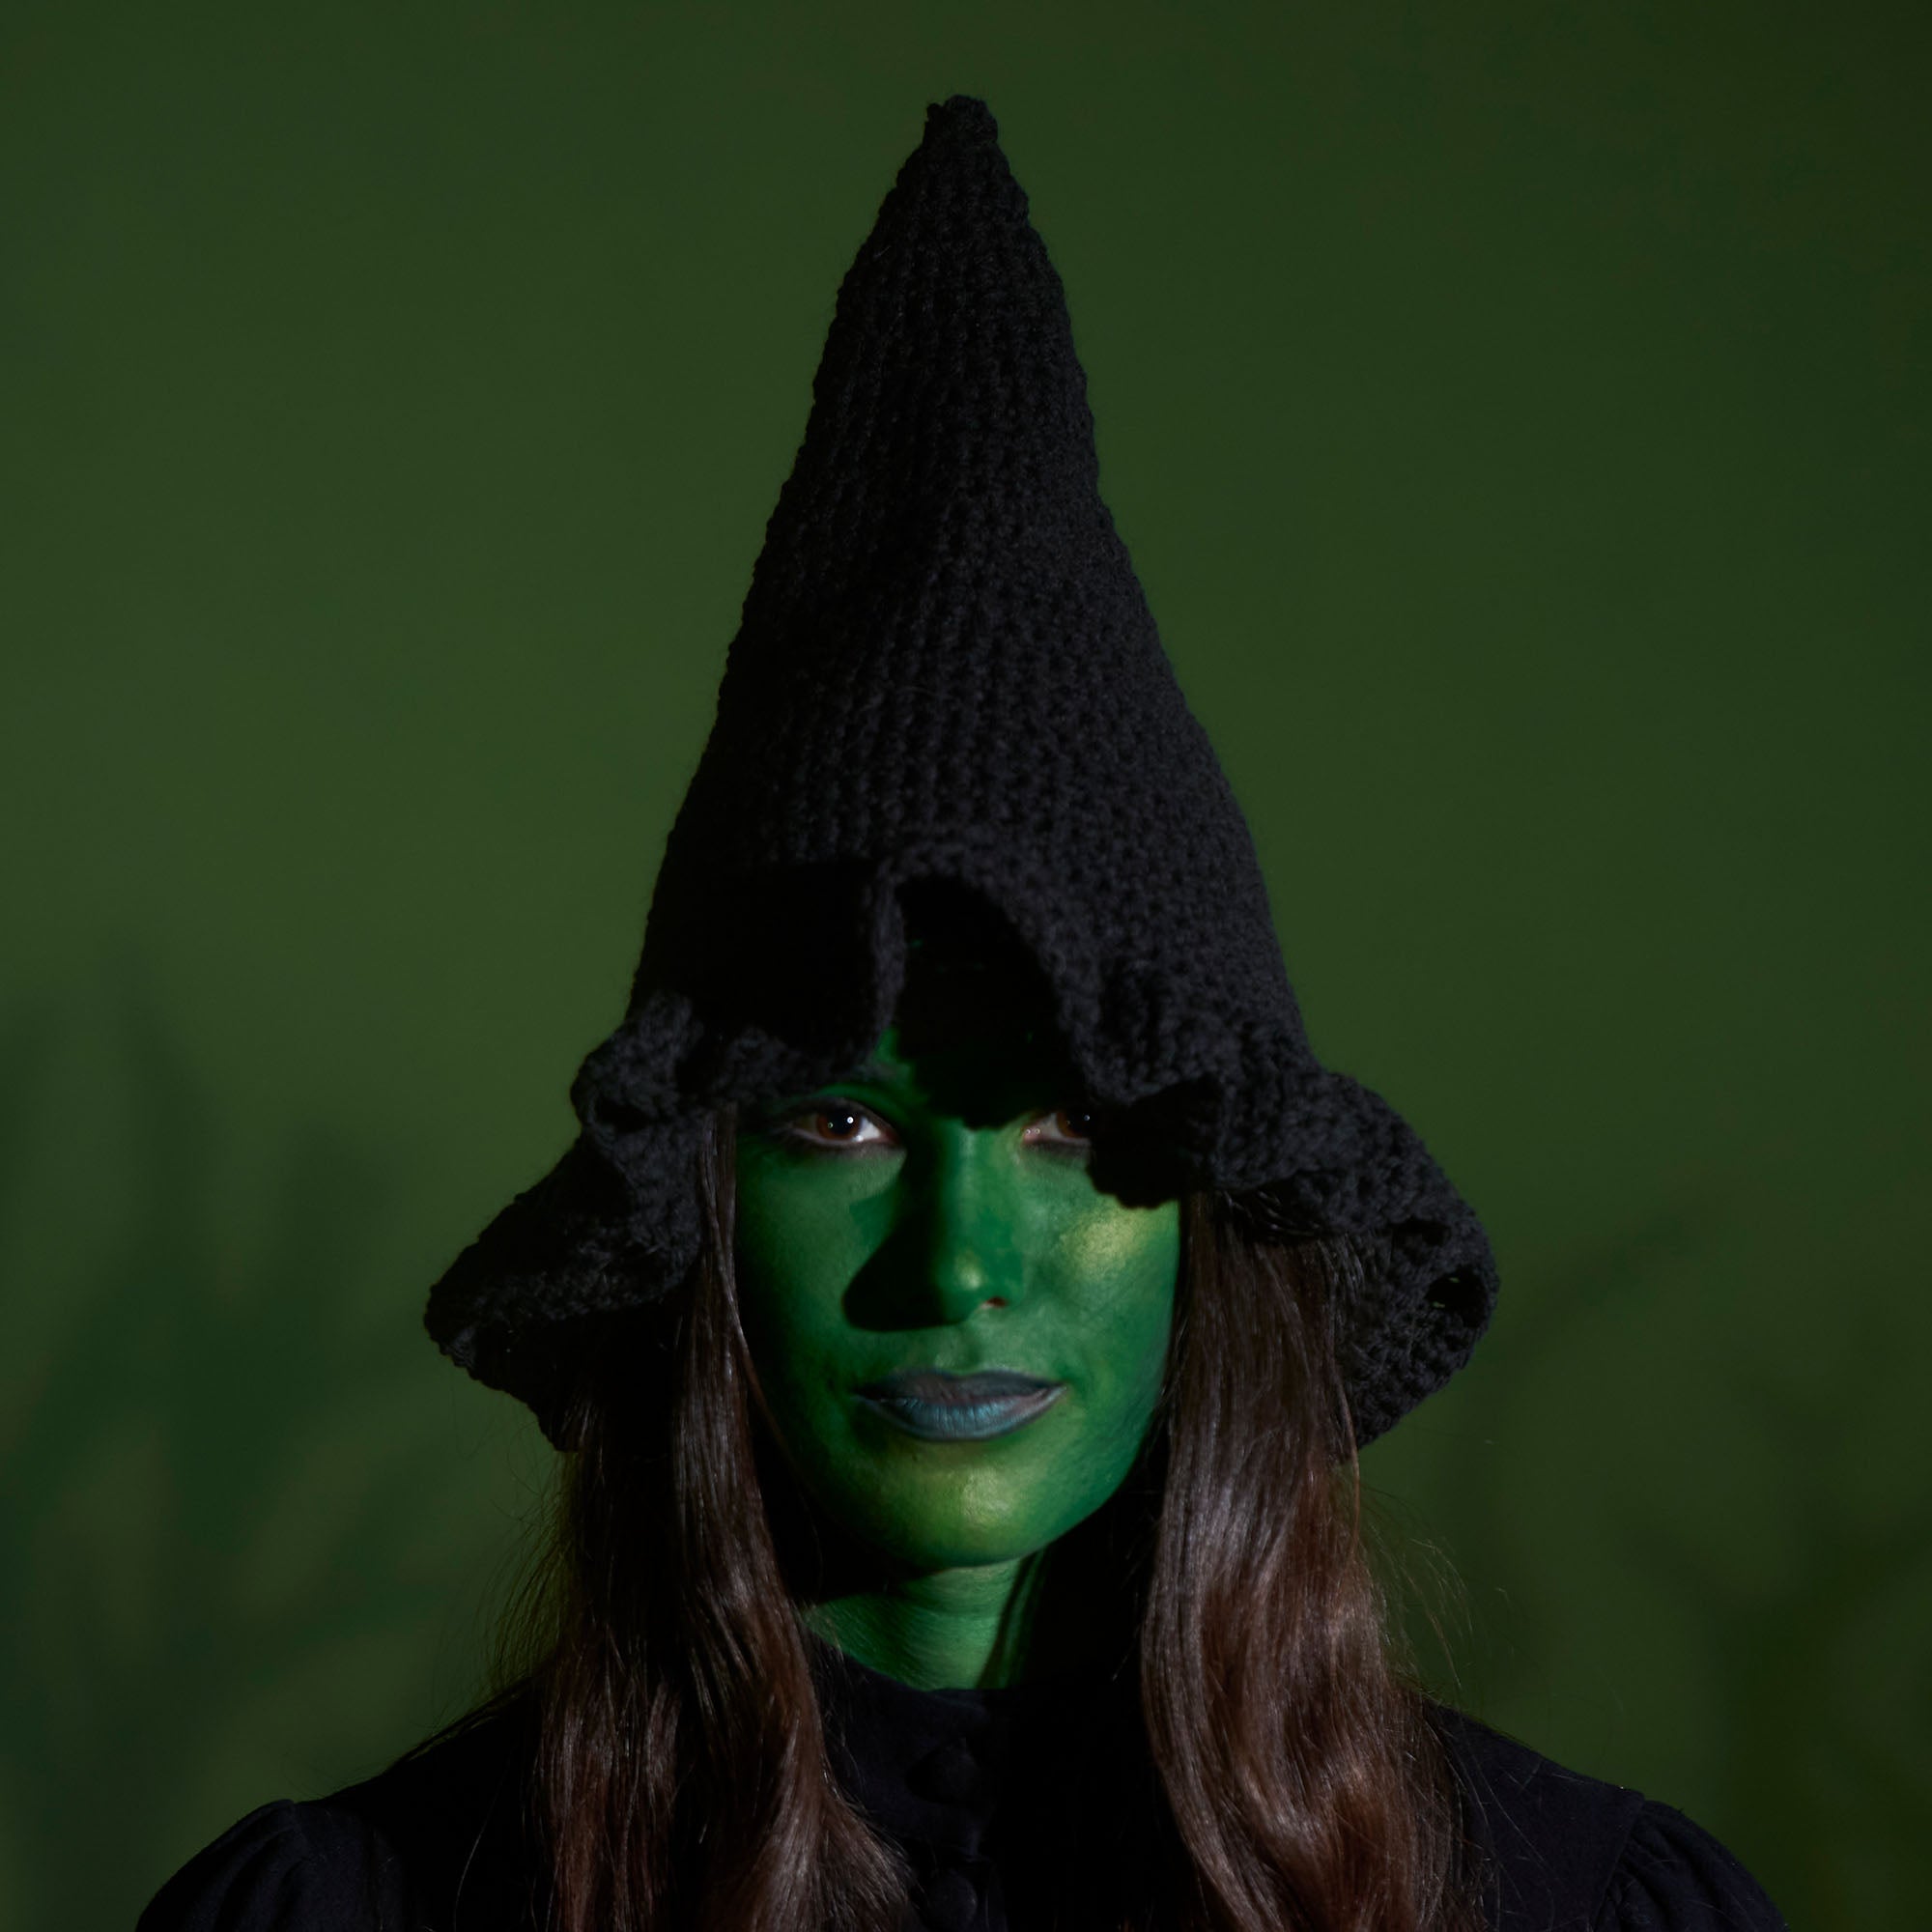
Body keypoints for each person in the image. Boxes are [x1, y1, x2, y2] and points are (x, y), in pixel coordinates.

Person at [138, 97, 1787, 1932]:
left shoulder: (1580, 1903)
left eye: (1072, 1126)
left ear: (1213, 1221)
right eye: (840, 1122)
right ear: (697, 1202)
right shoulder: (354, 1905)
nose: (960, 1261)